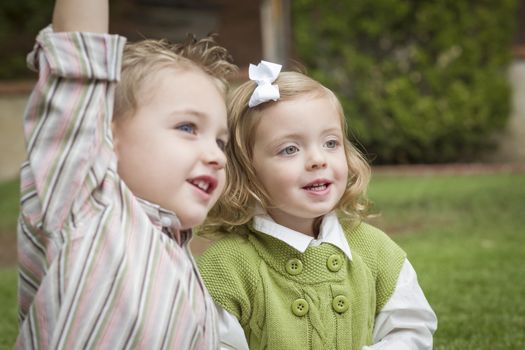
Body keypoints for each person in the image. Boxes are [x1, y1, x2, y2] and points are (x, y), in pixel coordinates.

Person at [16, 0, 237, 348]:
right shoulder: (87, 205)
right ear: (106, 134)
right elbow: (79, 57)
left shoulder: (179, 259)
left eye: (221, 142)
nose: (216, 156)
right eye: (187, 127)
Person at [197, 61, 438, 349]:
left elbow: (411, 329)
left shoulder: (377, 252)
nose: (317, 159)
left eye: (331, 143)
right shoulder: (225, 267)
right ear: (246, 171)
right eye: (290, 149)